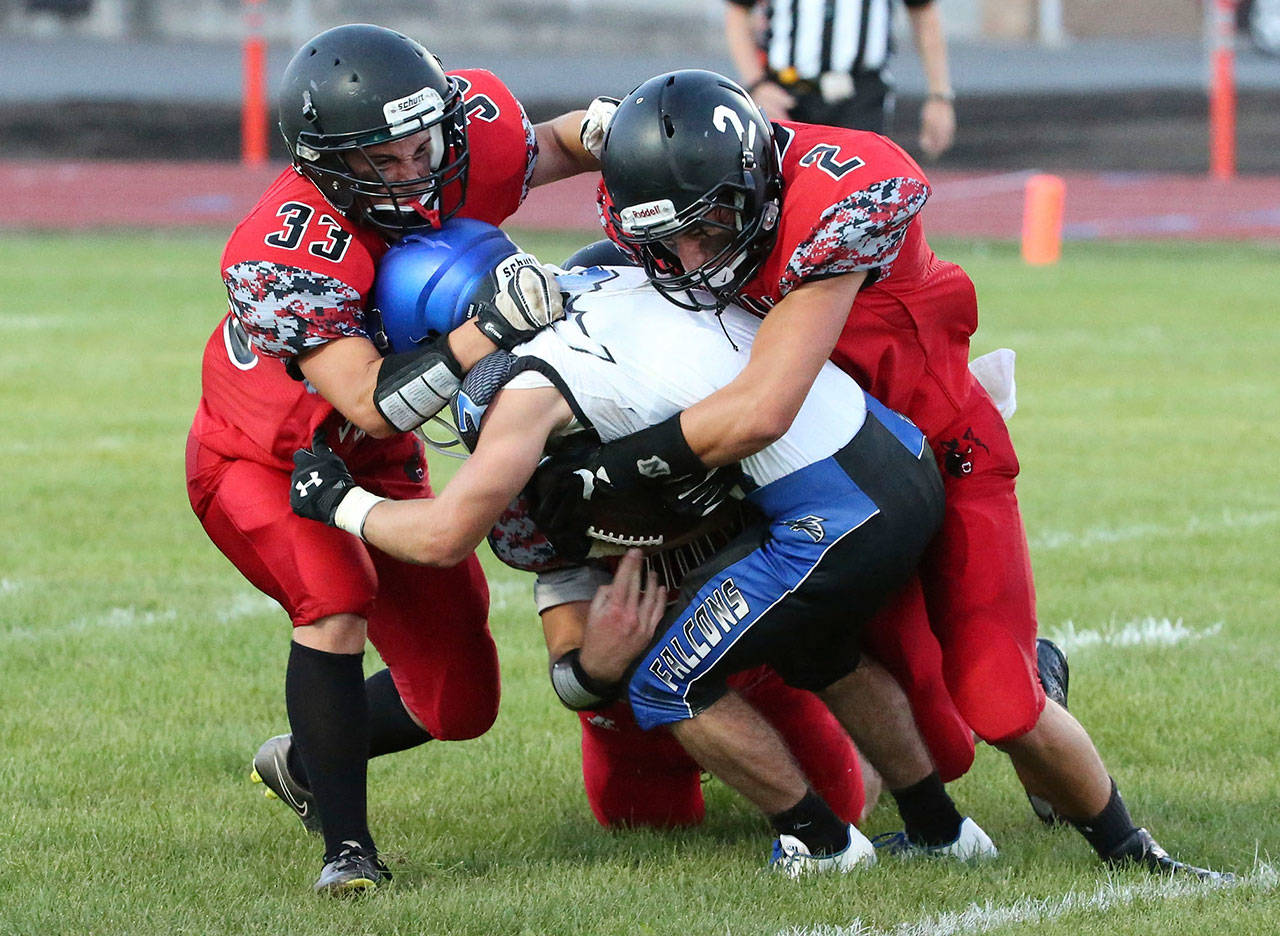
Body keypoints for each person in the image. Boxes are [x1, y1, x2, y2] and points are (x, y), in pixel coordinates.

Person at [536, 68, 1229, 881]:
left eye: (712, 223)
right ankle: (959, 794)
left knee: (999, 704)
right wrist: (587, 137)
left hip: (943, 454)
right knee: (941, 743)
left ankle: (1135, 851)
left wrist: (602, 474)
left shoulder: (844, 193)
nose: (691, 257)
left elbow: (764, 406)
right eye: (670, 237)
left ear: (754, 180)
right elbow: (533, 150)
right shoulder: (683, 180)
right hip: (842, 481)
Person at [289, 226, 996, 875]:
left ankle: (827, 845)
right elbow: (571, 672)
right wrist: (599, 661)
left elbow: (443, 536)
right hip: (846, 496)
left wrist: (339, 502)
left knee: (783, 724)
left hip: (788, 562)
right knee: (645, 803)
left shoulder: (538, 388)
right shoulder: (620, 287)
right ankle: (937, 827)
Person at [183, 23, 601, 895]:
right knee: (334, 596)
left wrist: (618, 132)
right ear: (329, 166)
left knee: (460, 702)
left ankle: (303, 761)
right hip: (266, 455)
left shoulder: (463, 132)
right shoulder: (282, 249)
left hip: (377, 455)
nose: (416, 169)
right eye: (386, 159)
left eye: (425, 143)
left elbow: (561, 143)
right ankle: (348, 854)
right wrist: (490, 325)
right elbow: (369, 397)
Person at [724, 0, 955, 160]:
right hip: (787, 94)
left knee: (862, 201)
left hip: (861, 96)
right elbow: (737, 14)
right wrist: (757, 85)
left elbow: (924, 15)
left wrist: (939, 96)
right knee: (783, 203)